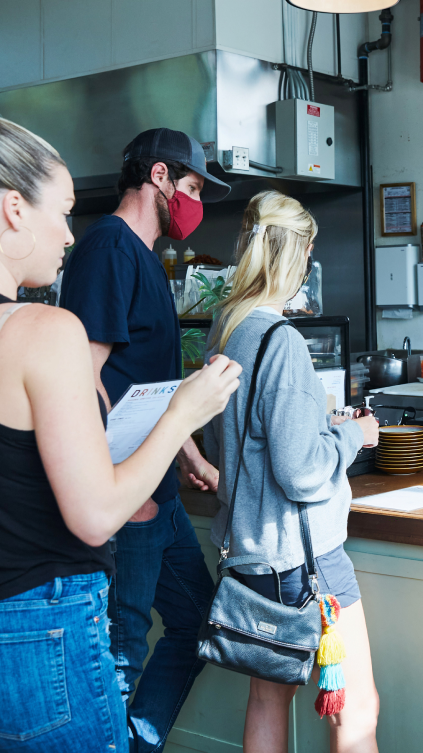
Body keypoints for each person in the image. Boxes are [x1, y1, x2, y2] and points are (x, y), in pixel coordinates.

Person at [0, 117, 242, 750]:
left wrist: (186, 452)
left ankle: (135, 738)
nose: (67, 232)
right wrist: (173, 429)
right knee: (124, 641)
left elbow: (129, 386)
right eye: (189, 184)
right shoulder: (105, 251)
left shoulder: (144, 259)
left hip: (150, 489)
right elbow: (86, 384)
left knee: (196, 619)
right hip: (115, 504)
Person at [205, 191, 381, 753]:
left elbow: (234, 441)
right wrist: (355, 433)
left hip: (249, 555)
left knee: (266, 702)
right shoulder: (281, 341)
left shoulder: (226, 329)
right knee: (355, 711)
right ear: (299, 252)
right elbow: (302, 473)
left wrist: (317, 422)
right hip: (305, 564)